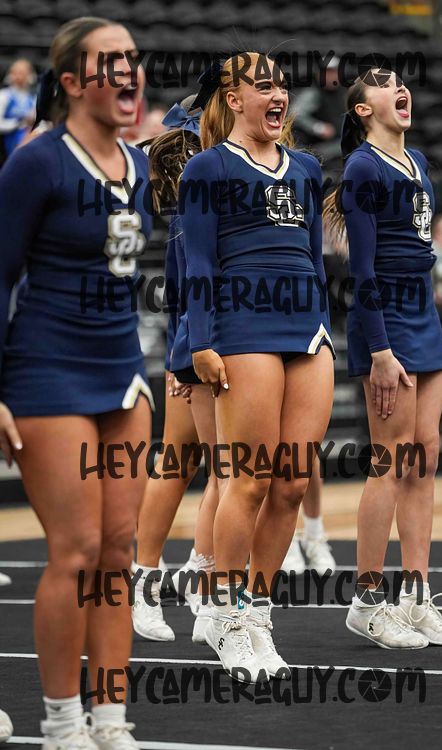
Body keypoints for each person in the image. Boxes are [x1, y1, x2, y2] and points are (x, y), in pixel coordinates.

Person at [0, 17, 154, 749]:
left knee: (120, 552)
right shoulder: (37, 163)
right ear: (70, 82)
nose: (128, 71)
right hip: (47, 371)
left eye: (133, 58)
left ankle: (111, 721)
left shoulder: (140, 164)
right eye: (109, 61)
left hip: (122, 374)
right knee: (77, 550)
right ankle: (62, 724)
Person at [180, 52, 335, 682]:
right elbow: (198, 262)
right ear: (233, 98)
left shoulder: (306, 167)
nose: (278, 96)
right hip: (243, 328)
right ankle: (226, 613)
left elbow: (315, 258)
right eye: (263, 85)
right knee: (248, 481)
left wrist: (324, 326)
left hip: (307, 330)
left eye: (282, 86)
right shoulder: (208, 167)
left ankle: (258, 611)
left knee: (292, 483)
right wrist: (200, 341)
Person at [324, 68, 442, 649]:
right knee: (391, 458)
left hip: (422, 315)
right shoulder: (364, 168)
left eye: (401, 82)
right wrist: (380, 349)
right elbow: (362, 270)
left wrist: (431, 324)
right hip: (384, 318)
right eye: (383, 85)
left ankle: (416, 593)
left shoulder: (418, 161)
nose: (399, 88)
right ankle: (366, 600)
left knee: (424, 456)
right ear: (362, 109)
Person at [133, 97, 219, 645]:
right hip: (199, 340)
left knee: (217, 464)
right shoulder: (198, 191)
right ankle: (147, 578)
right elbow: (182, 282)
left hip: (231, 336)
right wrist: (181, 354)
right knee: (184, 460)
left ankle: (199, 569)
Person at [0, 58, 36, 161]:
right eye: (15, 73)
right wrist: (18, 123)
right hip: (7, 148)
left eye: (22, 73)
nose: (19, 77)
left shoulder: (33, 99)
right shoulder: (4, 96)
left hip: (28, 145)